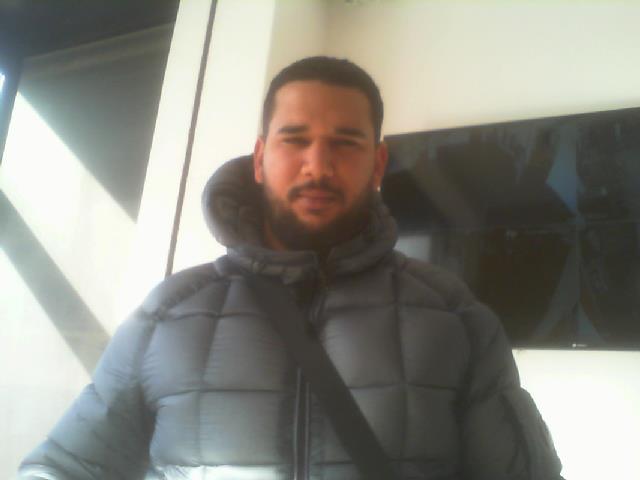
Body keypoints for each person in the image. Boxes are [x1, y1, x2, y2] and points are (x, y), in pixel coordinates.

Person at [18, 56, 563, 480]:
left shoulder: (454, 316)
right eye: (294, 139)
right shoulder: (169, 313)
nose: (317, 166)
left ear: (377, 164)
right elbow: (66, 466)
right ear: (260, 159)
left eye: (345, 143)